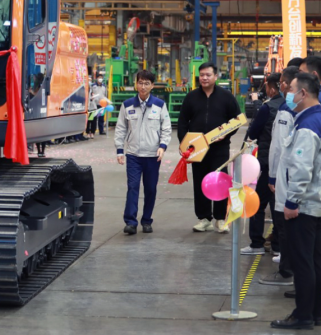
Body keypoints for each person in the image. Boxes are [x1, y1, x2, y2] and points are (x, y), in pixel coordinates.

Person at [271, 72, 321, 330]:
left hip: (305, 206)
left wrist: (292, 202)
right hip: (317, 203)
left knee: (303, 263)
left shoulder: (306, 126)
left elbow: (301, 170)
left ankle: (303, 316)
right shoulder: (317, 118)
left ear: (302, 93)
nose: (287, 93)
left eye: (290, 89)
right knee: (315, 260)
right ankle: (315, 311)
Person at [178, 62, 241, 233]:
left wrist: (226, 135)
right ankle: (204, 218)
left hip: (219, 148)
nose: (204, 78)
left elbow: (237, 120)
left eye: (208, 75)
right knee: (200, 181)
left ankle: (220, 219)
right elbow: (183, 122)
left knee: (219, 181)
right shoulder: (191, 97)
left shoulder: (226, 97)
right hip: (197, 148)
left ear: (216, 76)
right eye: (202, 75)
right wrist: (184, 144)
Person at [114, 70, 172, 235]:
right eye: (140, 82)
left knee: (151, 189)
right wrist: (119, 150)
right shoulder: (127, 105)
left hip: (153, 155)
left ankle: (147, 220)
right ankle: (131, 222)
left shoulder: (160, 105)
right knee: (132, 187)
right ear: (136, 84)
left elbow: (166, 129)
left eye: (147, 83)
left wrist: (162, 146)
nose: (143, 86)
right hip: (133, 155)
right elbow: (120, 129)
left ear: (152, 86)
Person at [262, 66, 299, 287]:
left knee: (285, 225)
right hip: (294, 176)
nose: (281, 87)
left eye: (284, 83)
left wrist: (273, 176)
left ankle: (286, 270)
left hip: (286, 177)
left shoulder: (287, 109)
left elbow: (279, 148)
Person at [241, 74, 285, 256]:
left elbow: (253, 131)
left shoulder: (268, 108)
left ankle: (257, 243)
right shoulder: (292, 106)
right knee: (278, 205)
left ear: (272, 88)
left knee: (258, 203)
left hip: (268, 163)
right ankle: (279, 247)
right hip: (285, 165)